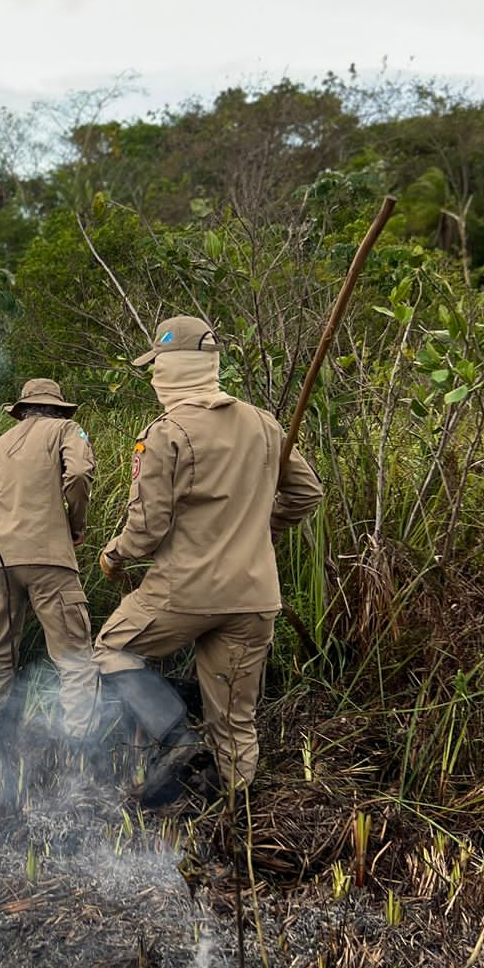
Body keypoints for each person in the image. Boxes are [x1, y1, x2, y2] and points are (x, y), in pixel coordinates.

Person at [94, 316, 323, 797]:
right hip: (254, 597)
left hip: (184, 593)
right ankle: (231, 824)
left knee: (112, 649)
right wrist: (261, 530)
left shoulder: (166, 431)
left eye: (157, 364)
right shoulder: (264, 423)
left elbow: (148, 528)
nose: (154, 375)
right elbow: (305, 493)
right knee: (235, 721)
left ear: (171, 369)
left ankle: (176, 737)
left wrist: (114, 557)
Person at [0, 378, 100, 743]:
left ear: (23, 409)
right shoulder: (67, 429)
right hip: (48, 558)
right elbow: (77, 474)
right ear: (57, 407)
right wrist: (76, 525)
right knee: (74, 657)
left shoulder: (2, 442)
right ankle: (81, 751)